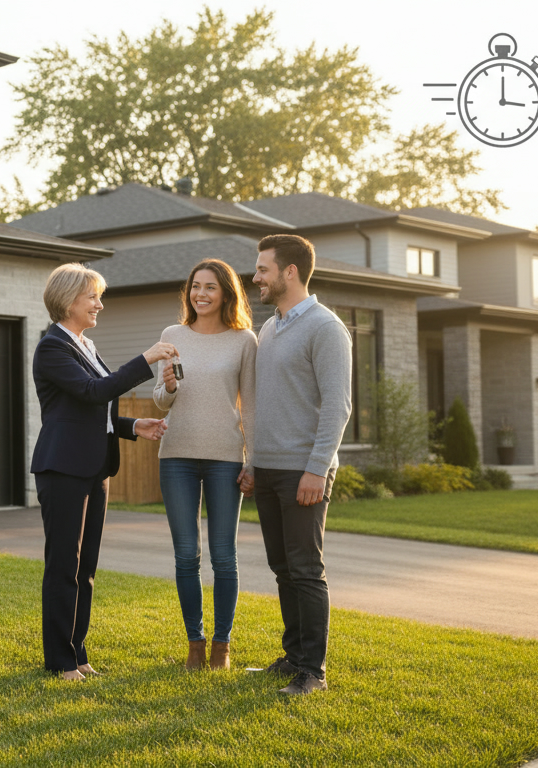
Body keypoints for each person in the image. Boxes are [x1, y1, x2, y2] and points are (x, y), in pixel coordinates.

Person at [31, 263, 176, 681]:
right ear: (68, 300)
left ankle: (77, 653)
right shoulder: (52, 347)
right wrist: (147, 358)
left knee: (86, 567)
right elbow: (95, 391)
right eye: (92, 296)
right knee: (64, 565)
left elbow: (95, 406)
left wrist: (132, 426)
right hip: (62, 468)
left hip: (95, 468)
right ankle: (59, 661)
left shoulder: (86, 344)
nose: (100, 304)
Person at [245, 234, 352, 695]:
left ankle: (314, 671)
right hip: (266, 469)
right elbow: (262, 402)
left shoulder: (326, 328)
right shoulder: (270, 328)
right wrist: (252, 460)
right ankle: (292, 658)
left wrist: (316, 468)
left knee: (306, 568)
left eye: (263, 269)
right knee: (282, 567)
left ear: (290, 271)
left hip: (303, 469)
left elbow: (337, 406)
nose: (256, 277)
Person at [152, 259, 257, 672]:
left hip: (225, 458)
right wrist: (169, 386)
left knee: (224, 556)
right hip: (176, 454)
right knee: (185, 555)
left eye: (211, 287)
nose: (201, 294)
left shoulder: (244, 340)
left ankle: (221, 648)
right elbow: (160, 399)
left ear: (226, 294)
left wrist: (255, 460)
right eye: (196, 286)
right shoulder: (172, 335)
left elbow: (251, 406)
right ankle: (195, 646)